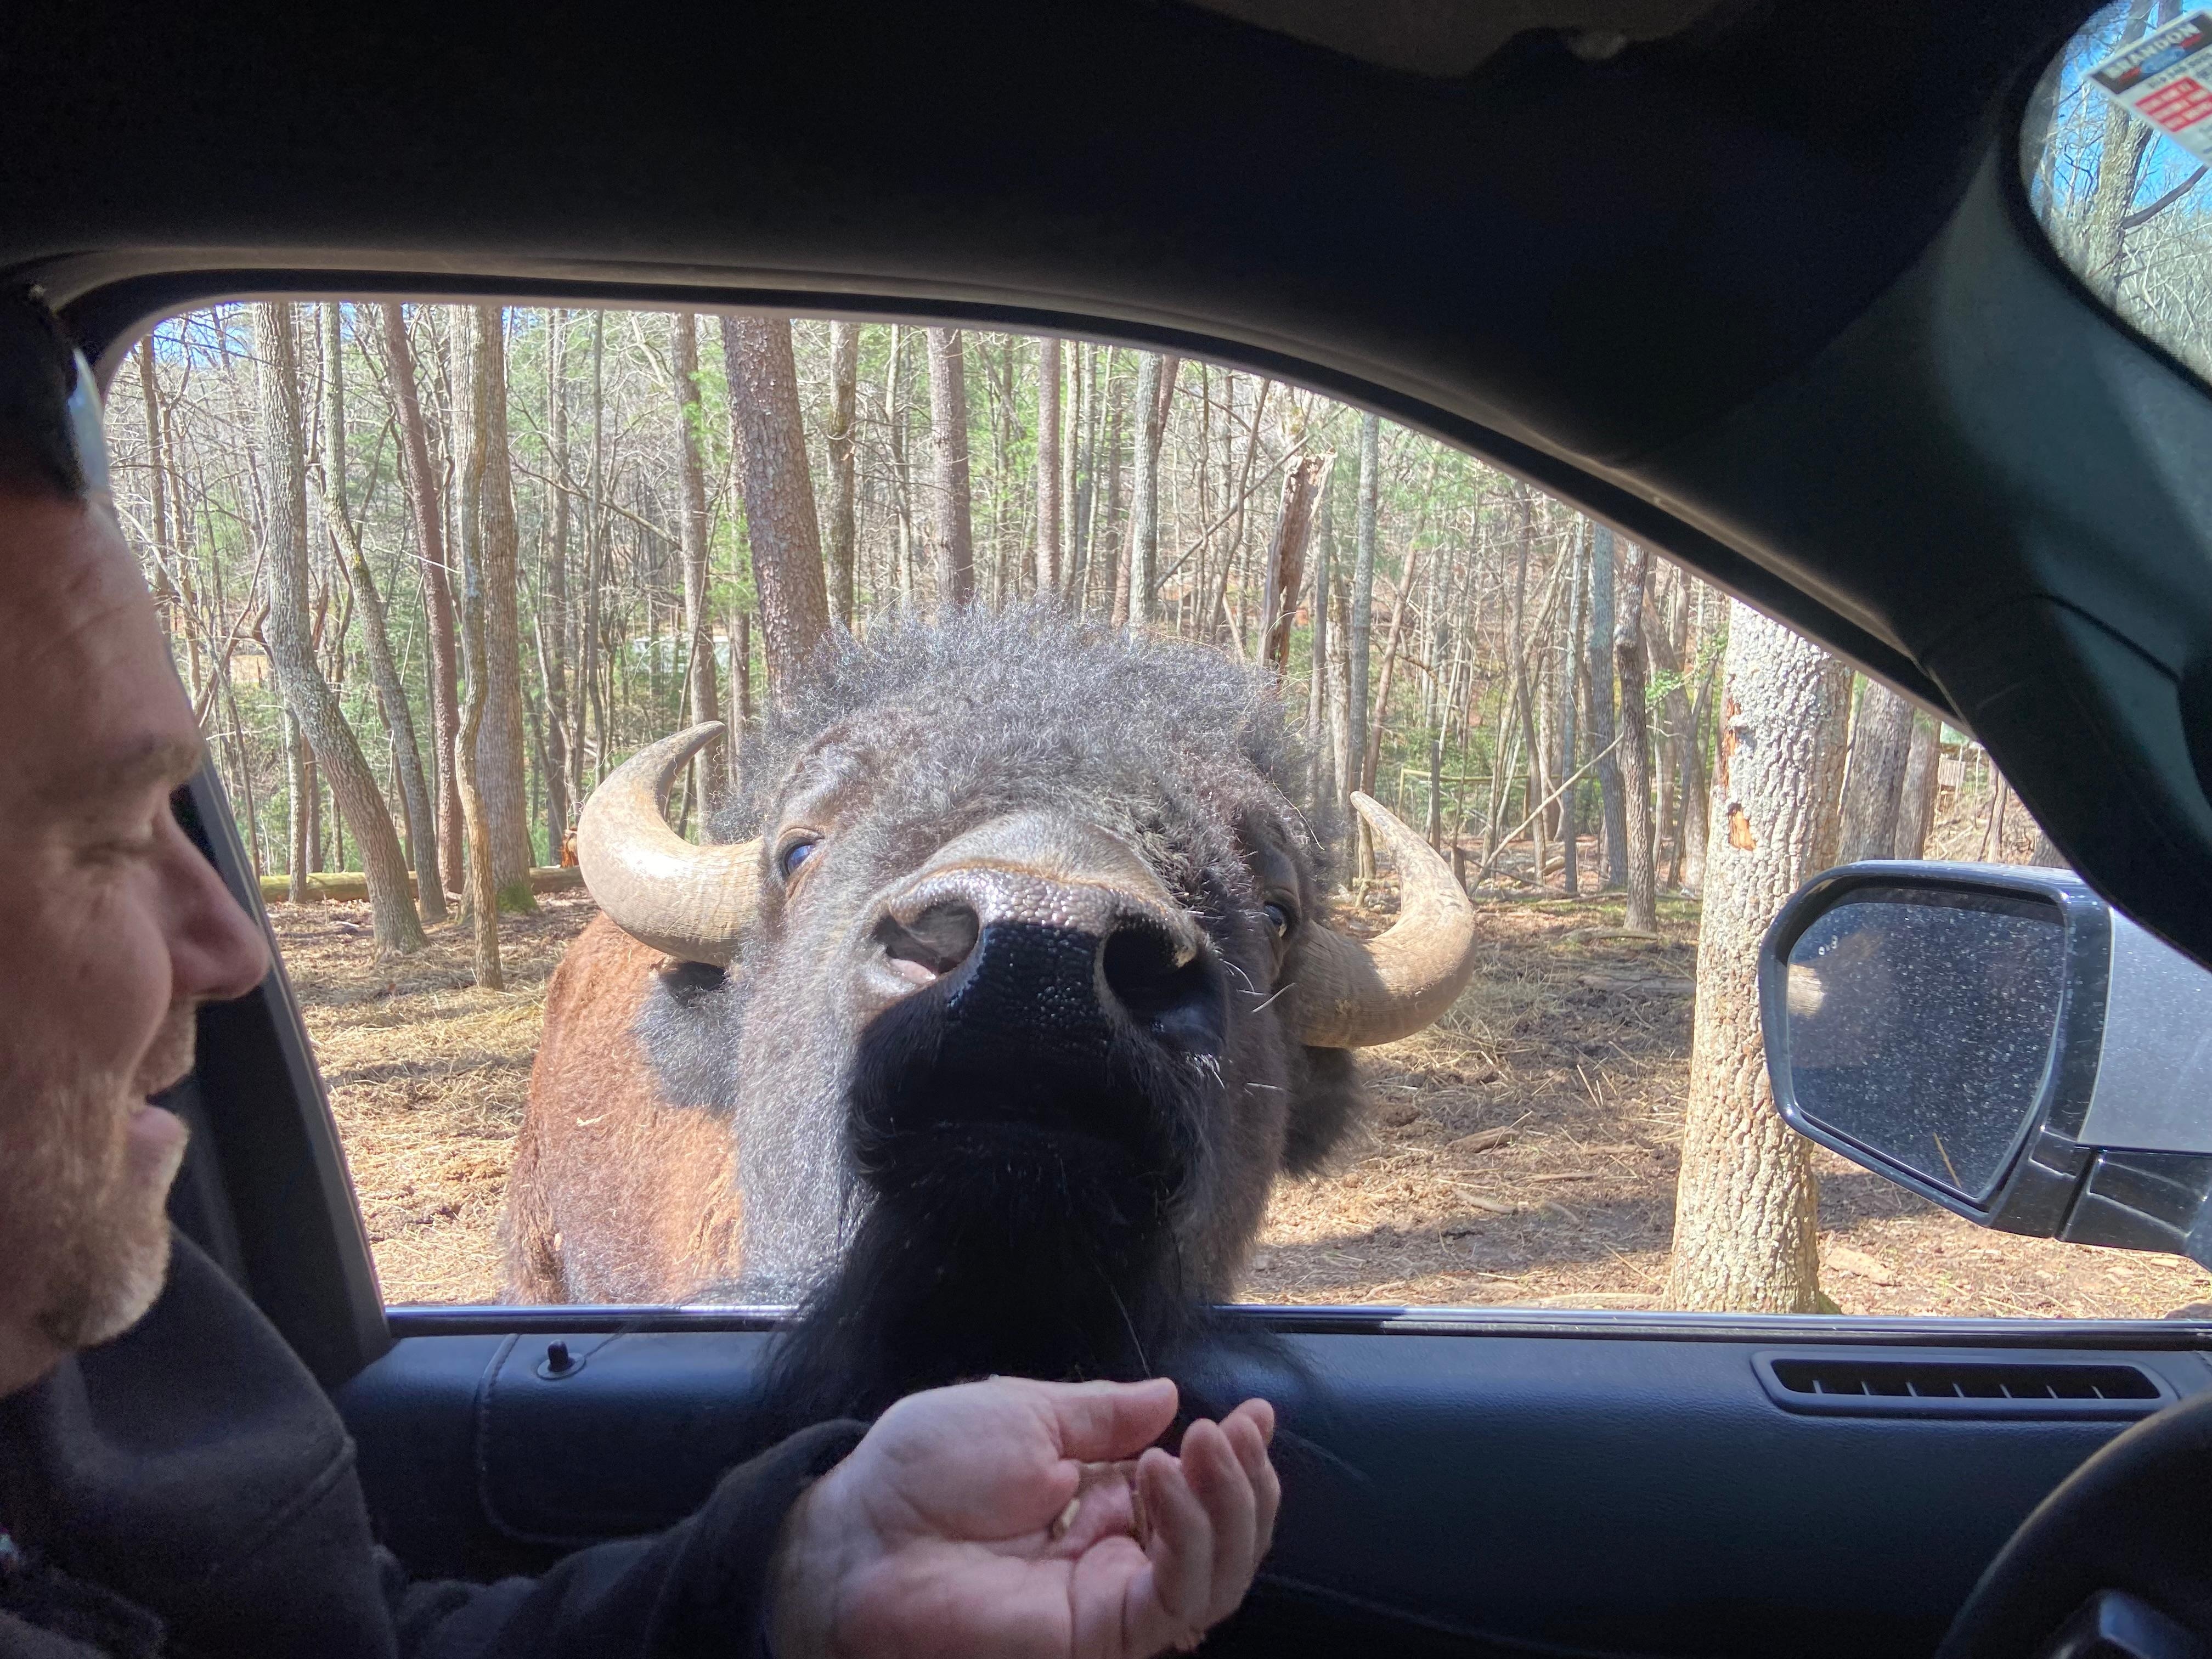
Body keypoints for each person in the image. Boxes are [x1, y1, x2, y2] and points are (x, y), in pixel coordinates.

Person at [0, 291, 1280, 1659]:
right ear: (712, 1019)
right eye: (100, 837)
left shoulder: (119, 1387)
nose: (234, 949)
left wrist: (798, 1575)